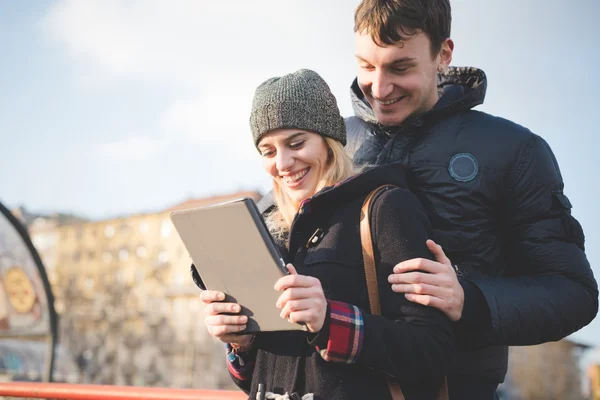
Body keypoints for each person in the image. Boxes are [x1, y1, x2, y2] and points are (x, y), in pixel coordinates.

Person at [340, 0, 598, 398]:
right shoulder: (329, 144)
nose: (379, 87)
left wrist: (470, 300)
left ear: (443, 54)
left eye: (400, 67)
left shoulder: (515, 149)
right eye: (366, 66)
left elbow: (574, 293)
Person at [199, 69, 453, 400]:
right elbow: (255, 379)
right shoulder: (269, 231)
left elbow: (431, 352)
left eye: (296, 143)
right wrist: (240, 343)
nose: (284, 163)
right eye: (268, 150)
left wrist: (330, 322)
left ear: (329, 139)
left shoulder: (385, 210)